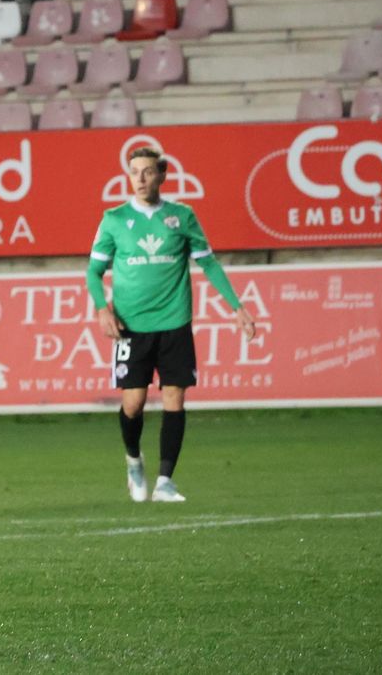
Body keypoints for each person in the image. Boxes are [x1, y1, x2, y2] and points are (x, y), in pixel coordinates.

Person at [87, 145, 257, 504]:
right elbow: (93, 272)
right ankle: (134, 458)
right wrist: (103, 308)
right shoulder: (115, 219)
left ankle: (165, 480)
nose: (140, 179)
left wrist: (237, 307)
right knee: (132, 404)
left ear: (162, 174)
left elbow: (208, 264)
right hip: (130, 327)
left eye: (148, 171)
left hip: (174, 322)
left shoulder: (182, 217)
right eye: (135, 172)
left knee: (174, 398)